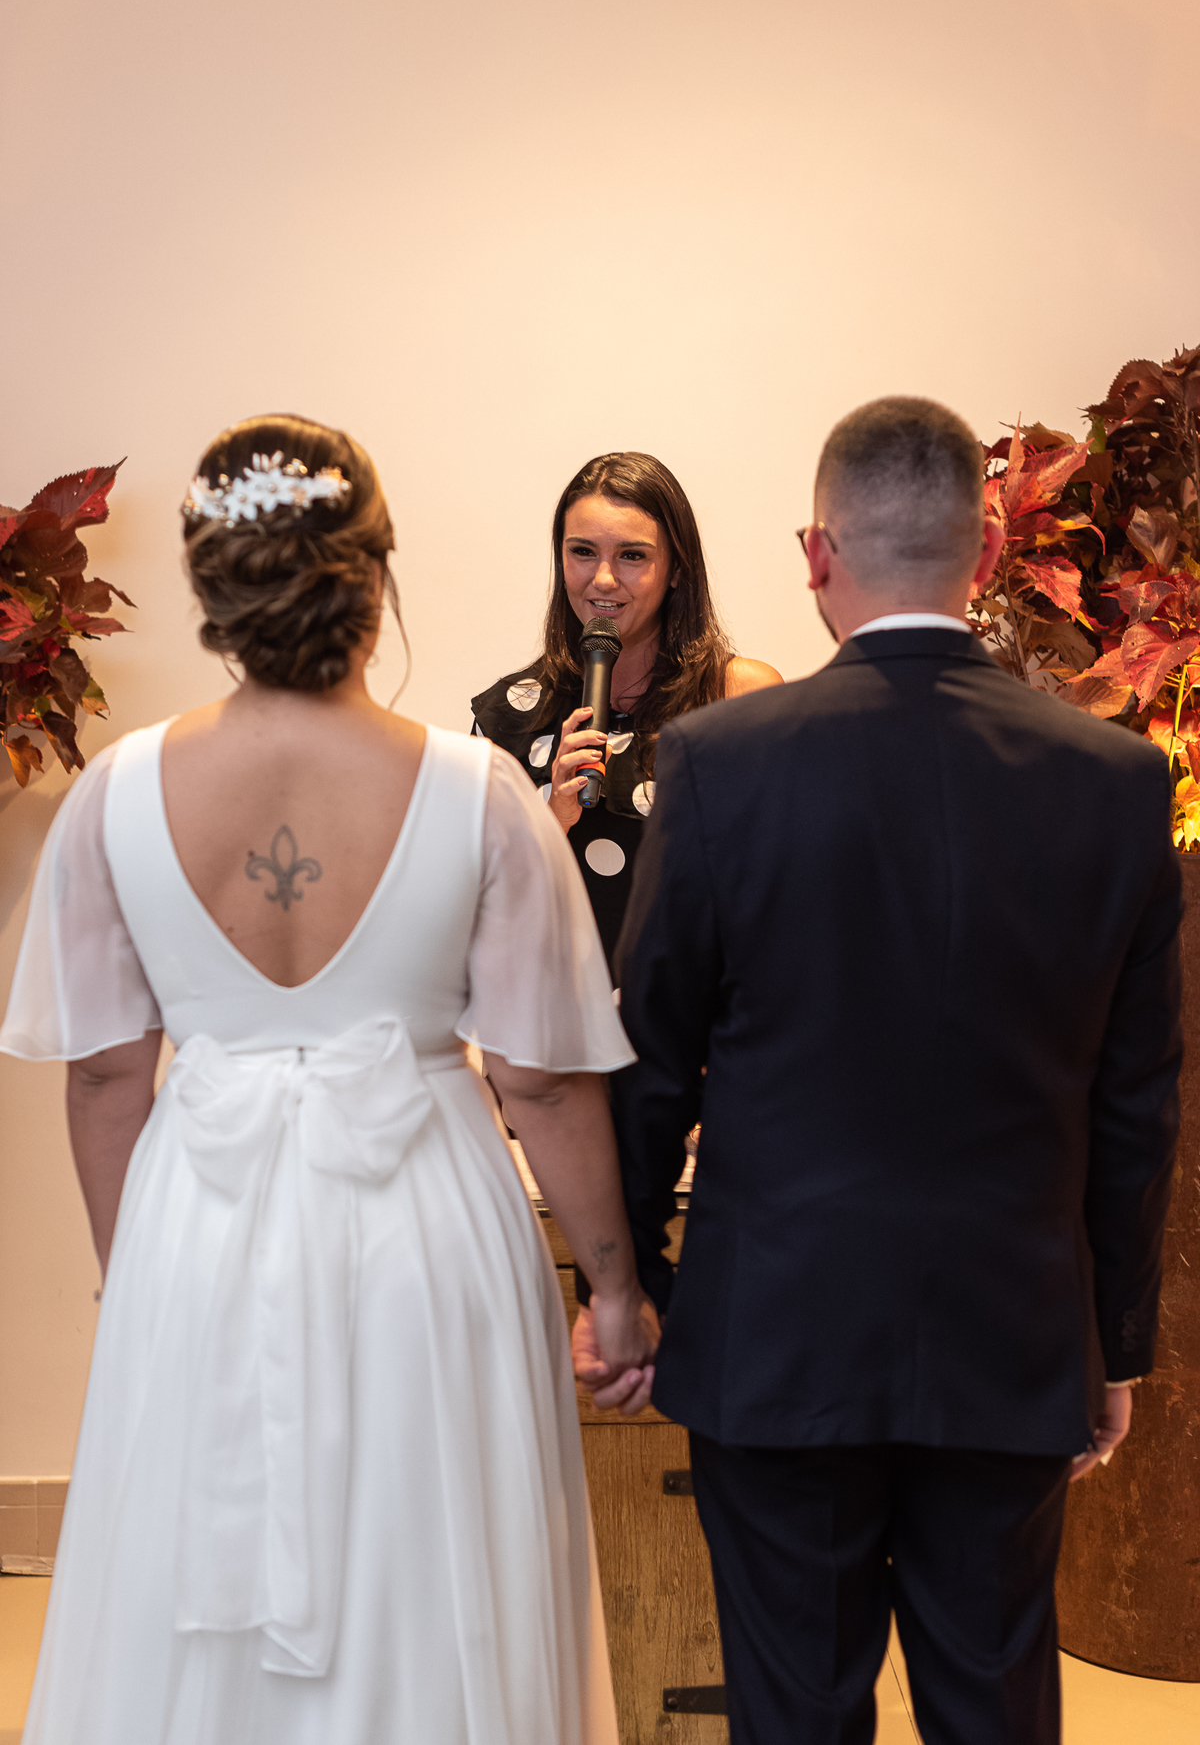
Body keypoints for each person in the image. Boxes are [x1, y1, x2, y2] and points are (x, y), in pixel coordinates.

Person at [0, 414, 659, 1745]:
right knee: (437, 1564)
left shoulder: (115, 797)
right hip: (428, 1227)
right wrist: (616, 1289)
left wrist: (146, 1279)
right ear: (375, 574)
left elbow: (109, 1079)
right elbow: (539, 1084)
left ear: (209, 582)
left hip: (199, 1219)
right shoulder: (483, 795)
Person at [577, 397, 1182, 1743]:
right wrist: (1116, 1339)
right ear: (987, 551)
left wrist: (628, 1290)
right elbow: (1137, 1100)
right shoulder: (1115, 779)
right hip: (1013, 1330)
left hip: (777, 1329)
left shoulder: (721, 764)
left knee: (796, 1708)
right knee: (995, 1701)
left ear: (817, 552)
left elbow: (650, 1055)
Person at [471, 451, 781, 972]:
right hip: (560, 1008)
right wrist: (554, 819)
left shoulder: (738, 696)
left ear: (677, 569)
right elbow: (477, 910)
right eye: (583, 552)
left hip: (692, 1013)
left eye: (632, 556)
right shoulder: (509, 716)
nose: (604, 579)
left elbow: (777, 885)